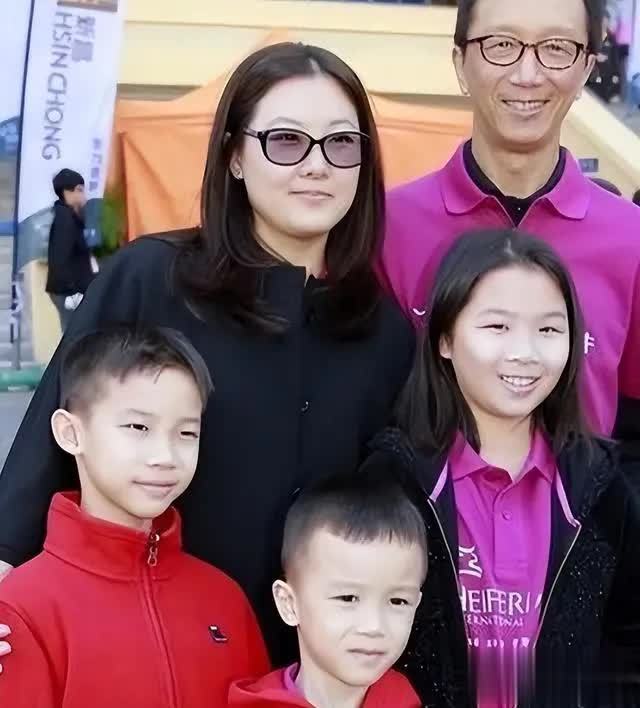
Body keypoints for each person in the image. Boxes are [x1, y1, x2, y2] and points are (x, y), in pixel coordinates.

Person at [0, 43, 415, 666]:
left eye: (341, 143)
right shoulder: (153, 278)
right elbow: (47, 448)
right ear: (234, 156)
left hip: (312, 671)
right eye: (286, 141)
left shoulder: (381, 330)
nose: (317, 165)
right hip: (147, 647)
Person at [381, 0, 640, 488]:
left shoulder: (632, 239)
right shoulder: (388, 228)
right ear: (460, 63)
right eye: (501, 45)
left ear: (587, 67)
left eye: (556, 48)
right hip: (415, 527)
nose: (527, 74)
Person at [386, 229, 640, 707]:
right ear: (444, 338)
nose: (524, 353)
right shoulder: (394, 479)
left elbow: (628, 641)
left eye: (549, 330)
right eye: (497, 327)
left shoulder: (599, 486)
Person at [0, 325, 269, 707]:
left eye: (186, 433)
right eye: (138, 427)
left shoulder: (224, 599)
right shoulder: (21, 607)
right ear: (70, 433)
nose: (165, 456)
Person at [228, 452, 425, 707]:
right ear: (289, 604)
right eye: (348, 598)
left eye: (398, 601)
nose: (374, 626)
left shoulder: (406, 701)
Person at [46, 169, 95, 330]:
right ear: (67, 192)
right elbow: (60, 258)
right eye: (79, 190)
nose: (83, 196)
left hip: (72, 289)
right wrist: (72, 292)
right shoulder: (65, 221)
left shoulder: (71, 217)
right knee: (73, 335)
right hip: (68, 292)